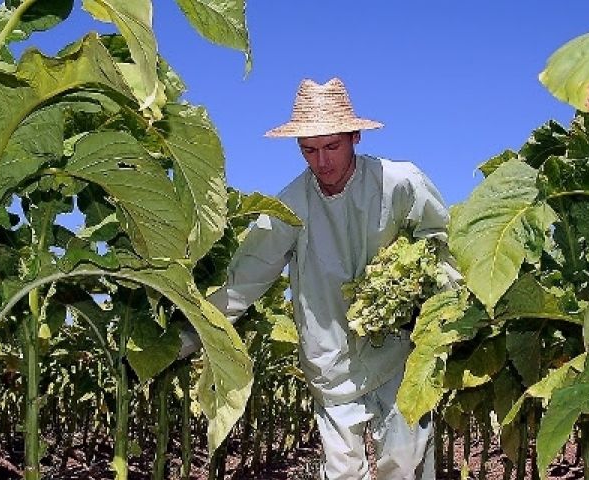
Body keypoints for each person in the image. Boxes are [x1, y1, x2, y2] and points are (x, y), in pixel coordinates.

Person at [182, 77, 453, 479]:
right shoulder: (290, 206)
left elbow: (441, 243)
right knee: (342, 470)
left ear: (354, 136)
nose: (321, 162)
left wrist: (442, 309)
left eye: (332, 147)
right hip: (331, 358)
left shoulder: (400, 183)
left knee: (405, 460)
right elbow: (246, 277)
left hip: (398, 349)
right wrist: (186, 337)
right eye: (309, 150)